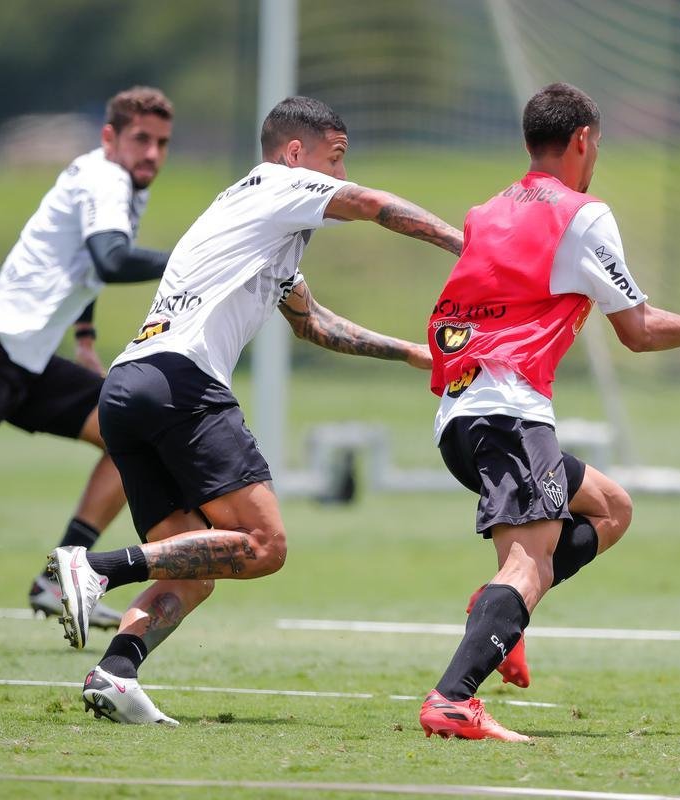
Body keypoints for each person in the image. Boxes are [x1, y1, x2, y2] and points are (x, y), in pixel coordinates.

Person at [44, 96, 463, 727]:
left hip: (131, 385)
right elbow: (375, 206)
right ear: (297, 154)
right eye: (336, 158)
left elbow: (314, 324)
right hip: (181, 384)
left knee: (195, 563)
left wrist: (413, 355)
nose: (341, 175)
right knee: (264, 545)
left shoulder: (254, 219)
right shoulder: (281, 186)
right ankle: (94, 567)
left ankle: (116, 673)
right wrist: (470, 247)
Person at [418, 82, 680, 742]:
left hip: (461, 416)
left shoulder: (488, 210)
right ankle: (453, 698)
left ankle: (495, 611)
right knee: (530, 566)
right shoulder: (582, 213)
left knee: (610, 508)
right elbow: (640, 329)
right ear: (582, 141)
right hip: (509, 413)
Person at [0, 86, 176, 625]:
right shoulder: (107, 179)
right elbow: (110, 260)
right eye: (140, 139)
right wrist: (188, 259)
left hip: (29, 361)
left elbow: (85, 264)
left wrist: (84, 336)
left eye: (162, 143)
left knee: (132, 435)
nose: (152, 153)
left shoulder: (122, 181)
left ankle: (58, 581)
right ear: (111, 138)